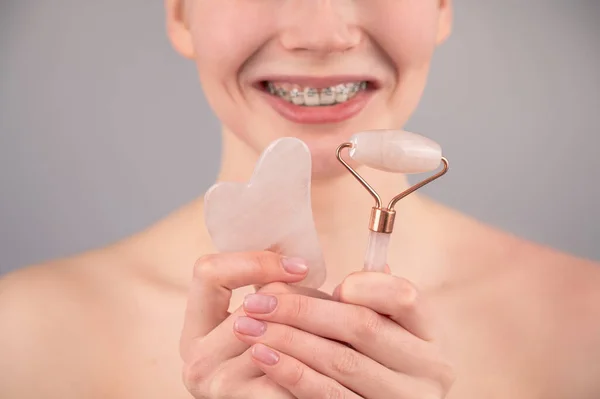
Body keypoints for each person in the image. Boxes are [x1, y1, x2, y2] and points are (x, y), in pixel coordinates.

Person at [1, 0, 599, 397]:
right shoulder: (19, 343)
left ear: (441, 5)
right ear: (181, 11)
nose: (321, 34)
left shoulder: (586, 335)